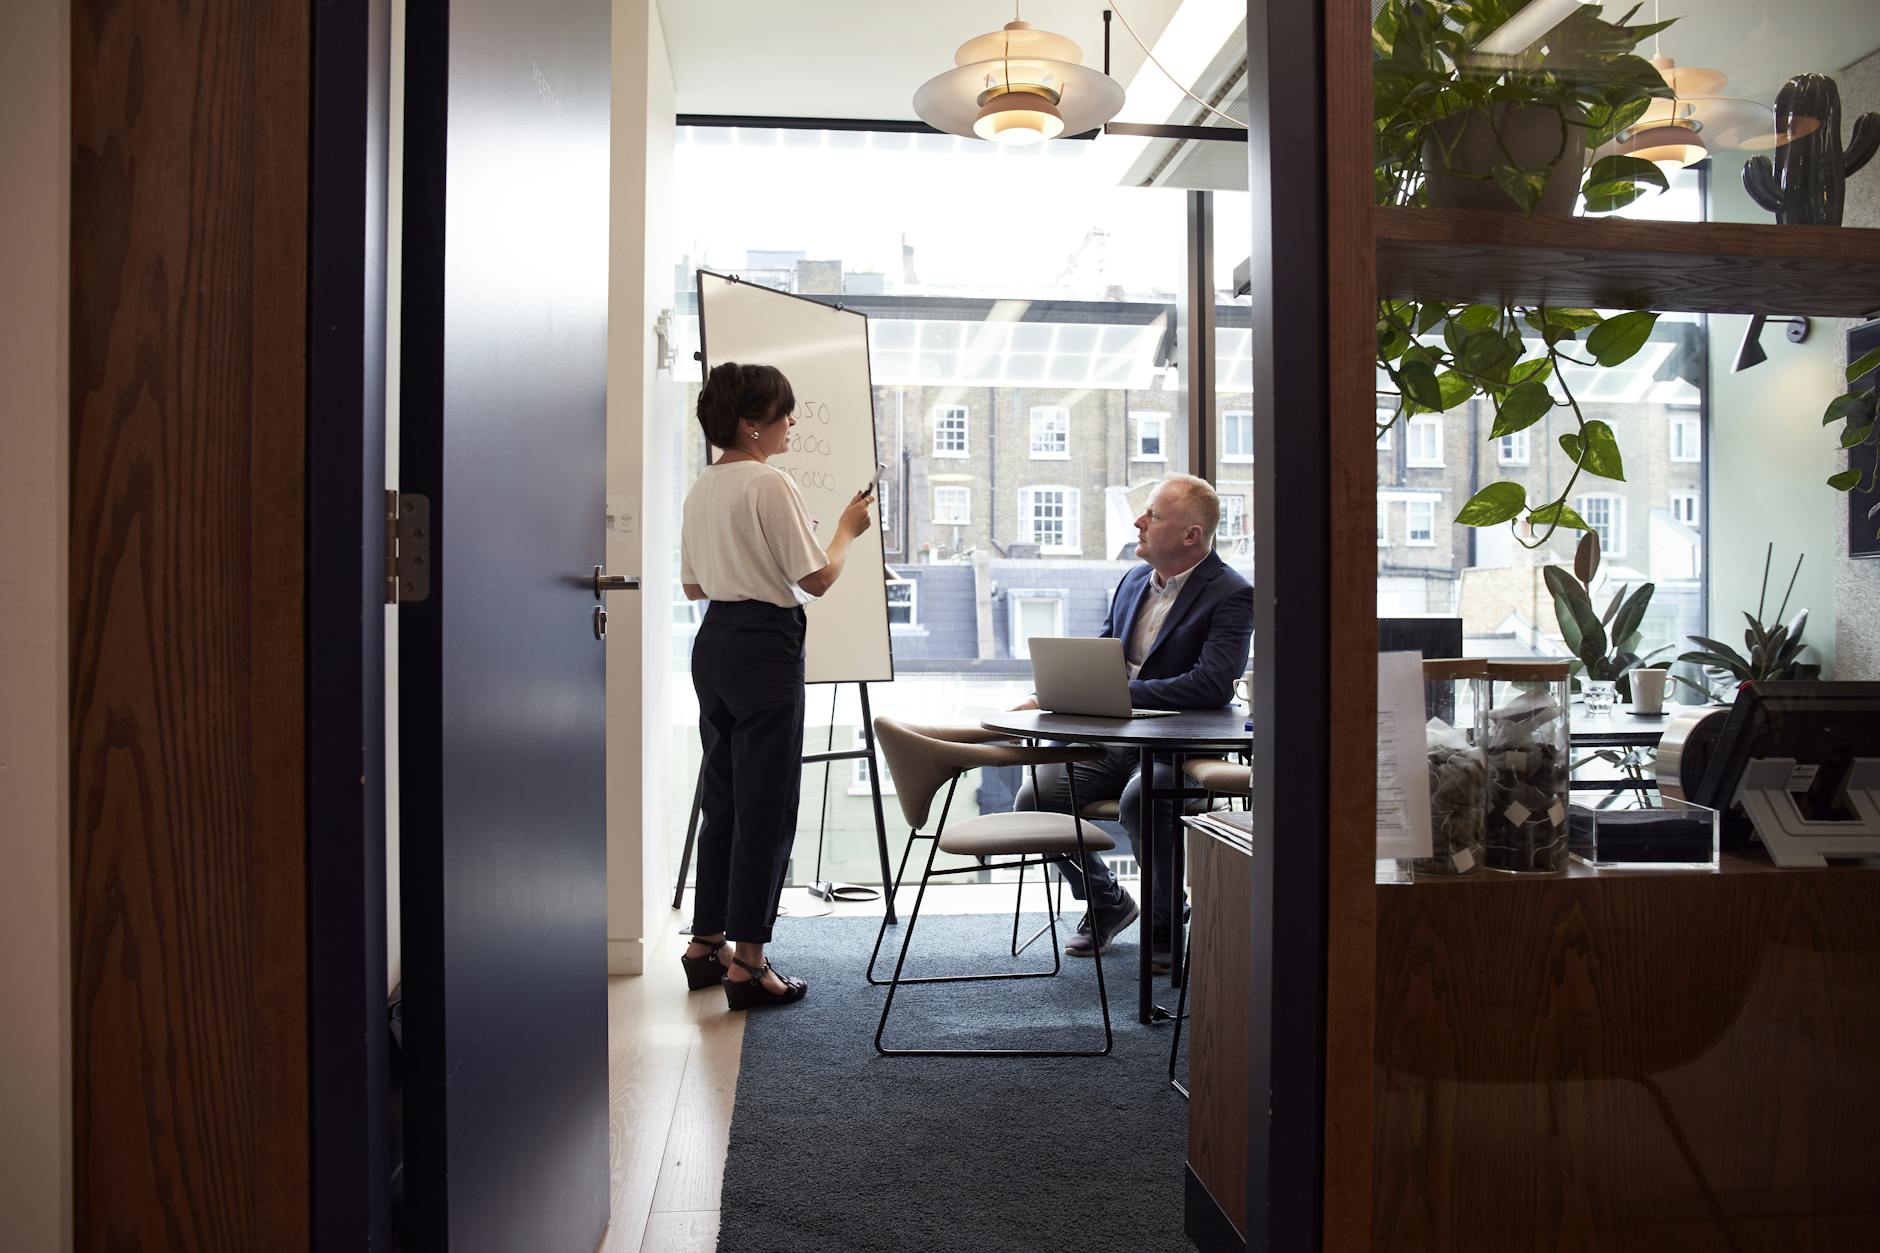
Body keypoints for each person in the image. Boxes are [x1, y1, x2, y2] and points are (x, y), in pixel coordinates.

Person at [678, 361, 874, 1010]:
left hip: (713, 643)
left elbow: (694, 585)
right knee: (767, 802)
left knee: (725, 798)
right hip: (765, 645)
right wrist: (846, 529)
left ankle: (706, 944)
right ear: (751, 424)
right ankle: (751, 964)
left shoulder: (703, 487)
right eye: (784, 413)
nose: (792, 422)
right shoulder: (770, 482)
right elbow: (816, 579)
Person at [1012, 474, 1251, 970]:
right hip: (1116, 739)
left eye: (1154, 516)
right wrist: (1048, 693)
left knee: (1142, 800)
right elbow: (1102, 658)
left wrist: (1118, 693)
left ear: (1191, 535)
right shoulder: (1130, 583)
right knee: (1036, 798)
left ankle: (1165, 921)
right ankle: (1106, 899)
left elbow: (1209, 685)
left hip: (1179, 748)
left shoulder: (1231, 593)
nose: (1139, 522)